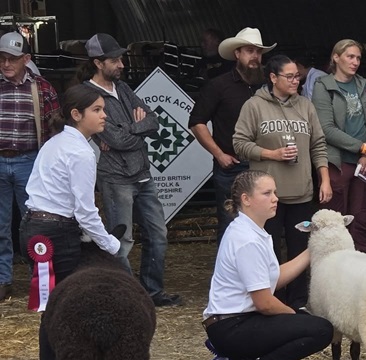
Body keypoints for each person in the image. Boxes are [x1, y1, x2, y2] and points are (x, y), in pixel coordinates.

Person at [21, 84, 120, 360]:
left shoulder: (56, 142)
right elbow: (85, 210)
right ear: (77, 114)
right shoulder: (80, 152)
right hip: (56, 233)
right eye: (97, 110)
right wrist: (109, 243)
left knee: (53, 310)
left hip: (35, 227)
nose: (104, 115)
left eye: (103, 109)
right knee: (67, 312)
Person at [203, 170, 334, 360]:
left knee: (306, 322)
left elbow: (274, 279)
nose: (275, 198)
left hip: (235, 321)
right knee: (320, 330)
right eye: (267, 193)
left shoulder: (252, 231)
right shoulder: (247, 240)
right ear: (246, 199)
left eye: (274, 192)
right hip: (232, 326)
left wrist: (315, 247)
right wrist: (295, 318)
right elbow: (264, 303)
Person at [81, 33, 181, 307]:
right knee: (121, 240)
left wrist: (128, 129)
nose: (122, 64)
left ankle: (152, 292)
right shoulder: (88, 95)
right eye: (115, 60)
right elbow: (116, 139)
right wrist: (134, 130)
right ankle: (128, 297)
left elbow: (153, 121)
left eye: (121, 58)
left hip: (142, 173)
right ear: (98, 63)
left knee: (158, 233)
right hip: (116, 177)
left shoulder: (122, 88)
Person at [233, 54, 331, 310]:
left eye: (297, 76)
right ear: (273, 78)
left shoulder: (305, 106)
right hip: (267, 196)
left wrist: (324, 179)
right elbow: (239, 143)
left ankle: (298, 303)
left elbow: (318, 144)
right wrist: (271, 154)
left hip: (301, 192)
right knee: (270, 251)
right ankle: (273, 304)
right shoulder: (254, 105)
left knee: (299, 250)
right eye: (289, 77)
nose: (295, 81)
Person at [189, 27, 275, 242]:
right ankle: (228, 264)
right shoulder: (218, 85)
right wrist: (219, 154)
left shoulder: (267, 87)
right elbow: (197, 122)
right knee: (230, 224)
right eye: (249, 51)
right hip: (232, 165)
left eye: (258, 52)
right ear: (237, 53)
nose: (255, 56)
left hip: (264, 163)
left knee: (266, 223)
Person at [0, 31, 59, 301]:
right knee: (0, 225)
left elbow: (55, 130)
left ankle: (40, 279)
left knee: (34, 222)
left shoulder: (42, 88)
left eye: (12, 59)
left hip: (30, 161)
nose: (6, 64)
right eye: (2, 58)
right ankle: (3, 280)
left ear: (26, 59)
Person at [311, 39, 366, 253]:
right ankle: (332, 265)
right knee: (334, 221)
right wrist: (362, 148)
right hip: (338, 162)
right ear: (336, 57)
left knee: (361, 220)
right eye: (350, 57)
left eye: (358, 58)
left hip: (365, 162)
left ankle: (360, 264)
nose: (355, 62)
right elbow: (326, 128)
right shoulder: (323, 85)